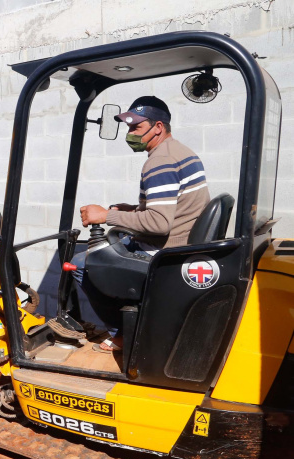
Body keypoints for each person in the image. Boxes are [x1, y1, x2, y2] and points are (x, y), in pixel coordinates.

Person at [75, 96, 210, 352]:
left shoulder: (160, 162)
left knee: (82, 265)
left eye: (135, 127)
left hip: (166, 251)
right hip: (182, 240)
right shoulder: (179, 151)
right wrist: (131, 210)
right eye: (128, 127)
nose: (130, 134)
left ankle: (123, 334)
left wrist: (105, 216)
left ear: (158, 127)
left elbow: (159, 223)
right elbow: (172, 206)